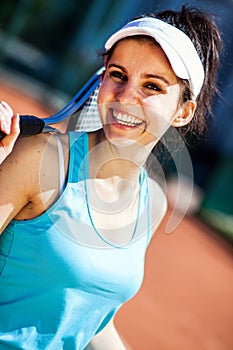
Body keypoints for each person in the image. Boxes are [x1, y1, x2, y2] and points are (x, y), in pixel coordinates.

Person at [0, 5, 222, 350]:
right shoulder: (39, 159)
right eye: (118, 75)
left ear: (183, 111)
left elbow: (89, 320)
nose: (126, 97)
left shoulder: (154, 201)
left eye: (152, 86)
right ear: (101, 79)